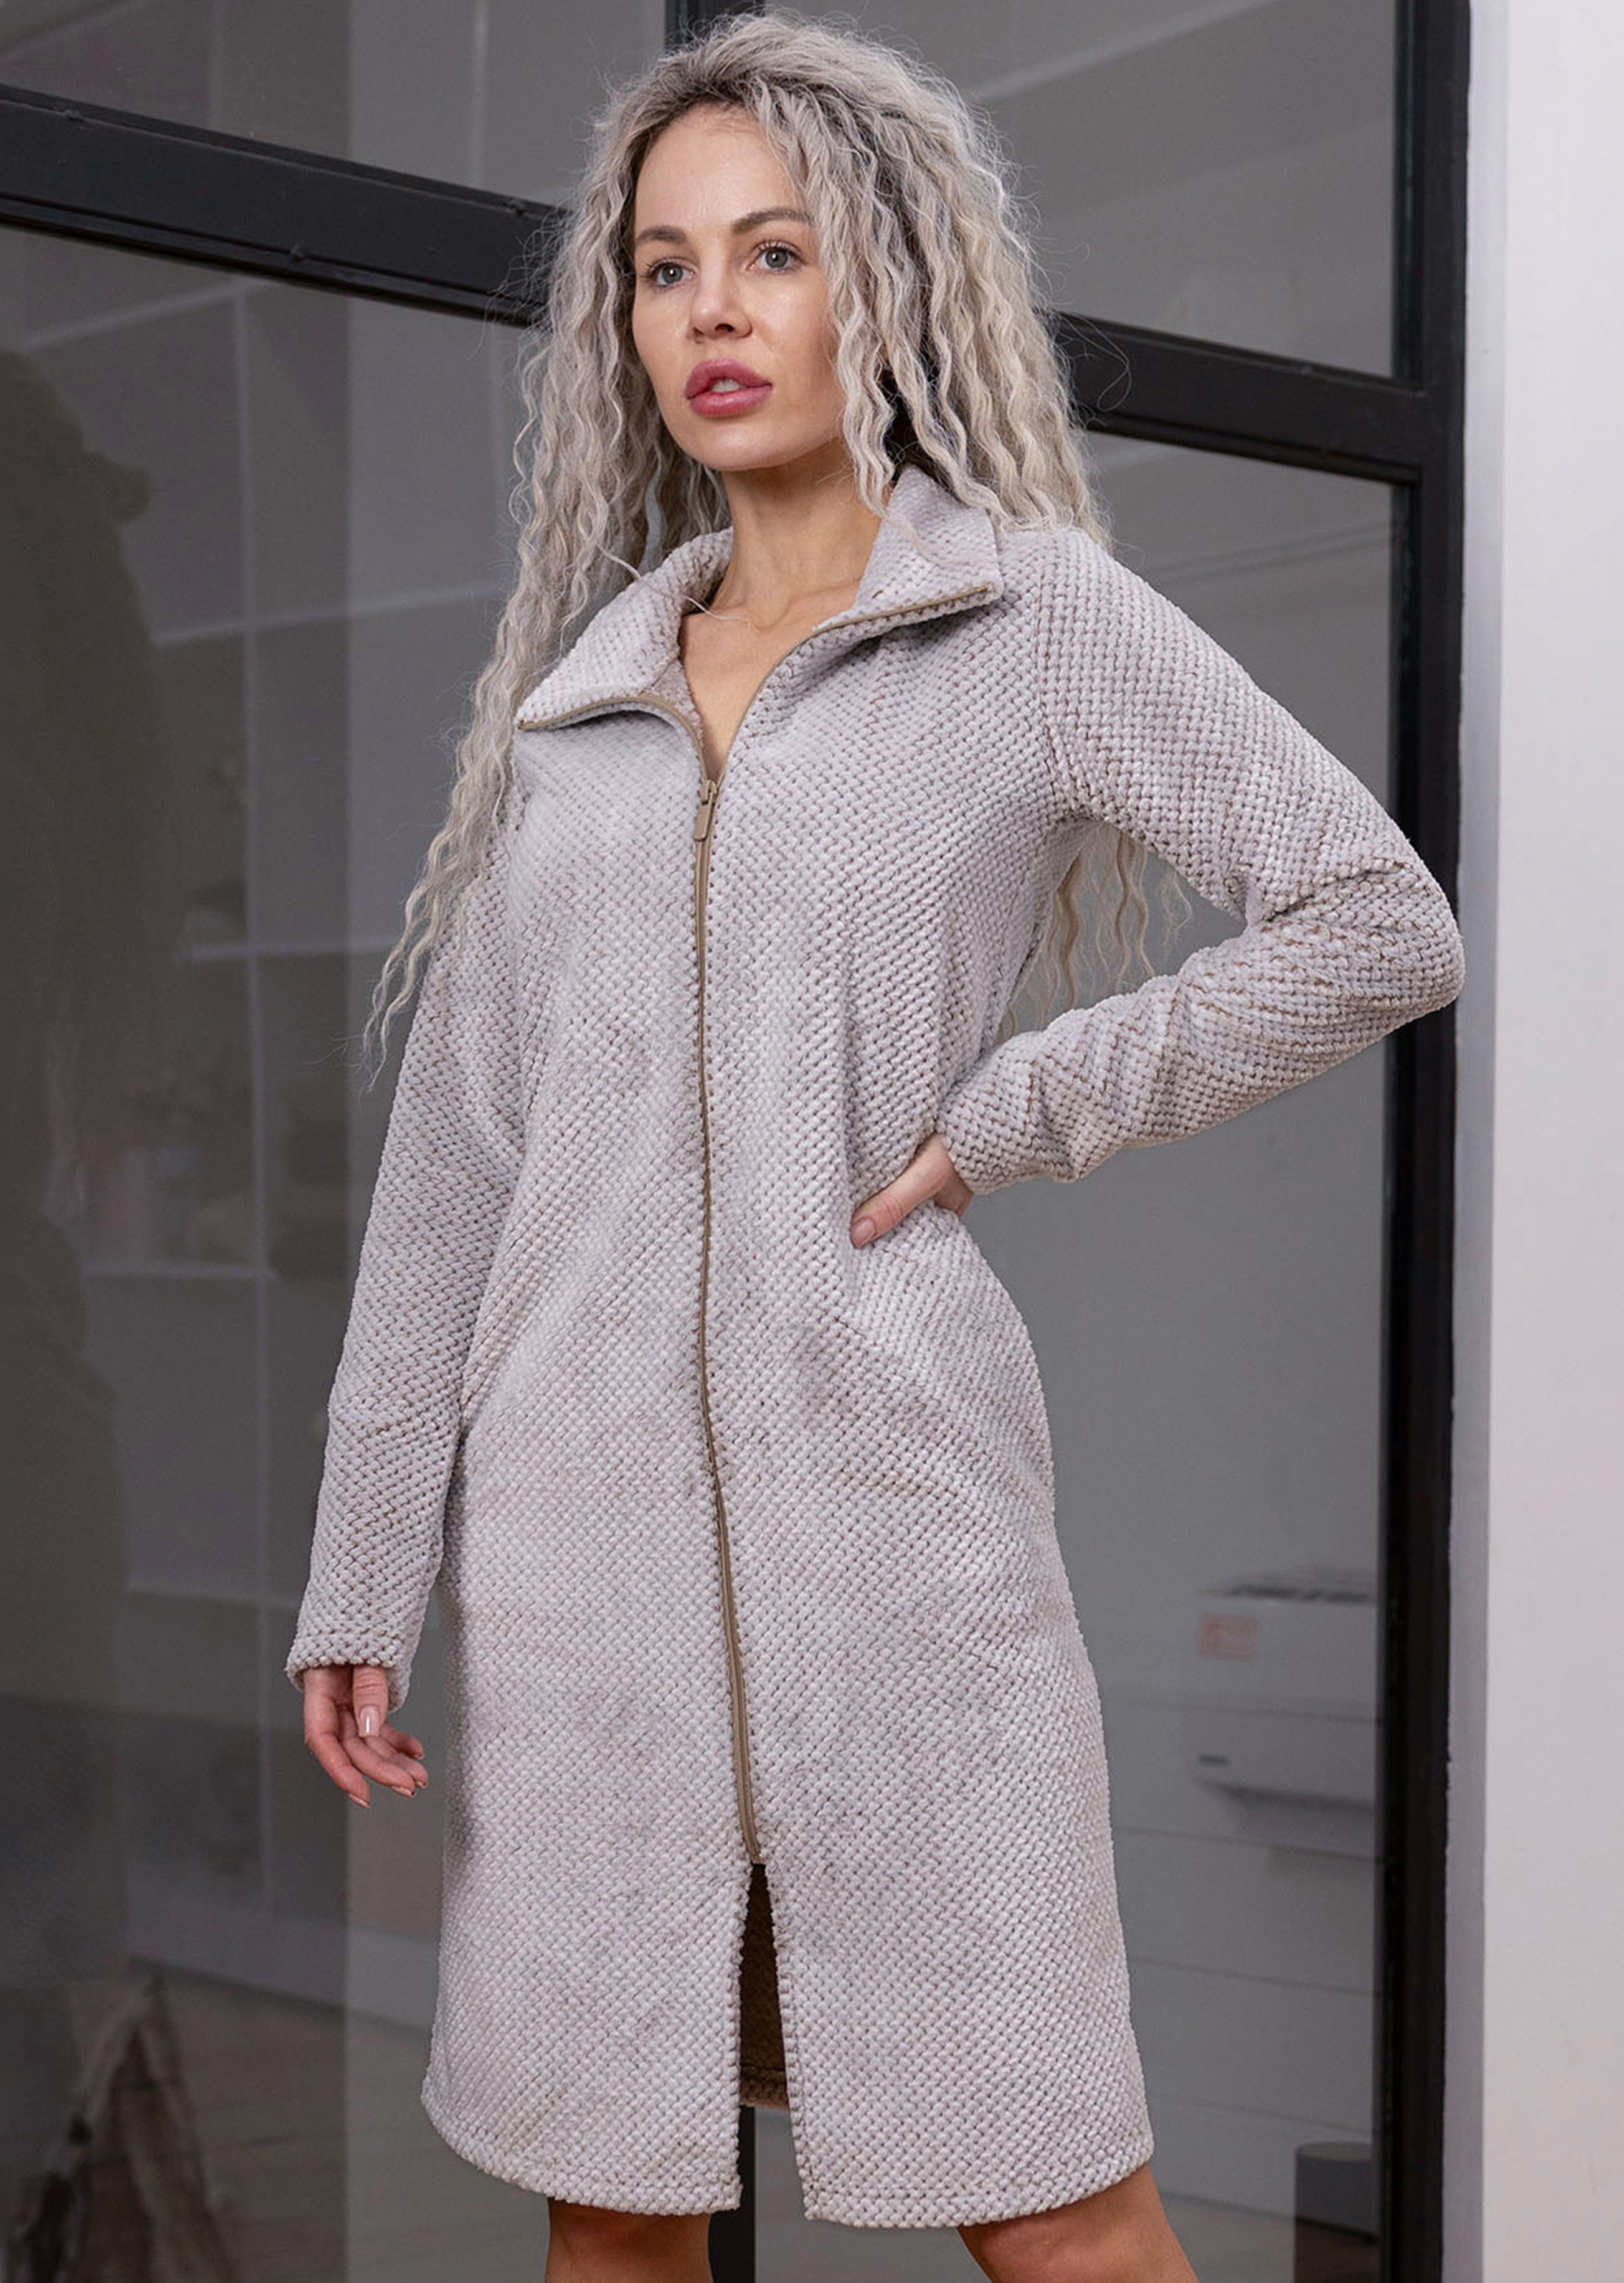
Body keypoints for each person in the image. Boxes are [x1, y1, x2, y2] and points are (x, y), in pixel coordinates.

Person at [285, 14, 1465, 2281]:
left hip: (897, 1564)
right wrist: (362, 1569)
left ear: (886, 281)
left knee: (1064, 2211)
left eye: (775, 252)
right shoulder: (580, 712)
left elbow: (1373, 917)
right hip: (585, 1588)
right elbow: (450, 1174)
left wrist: (1015, 1111)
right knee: (616, 2218)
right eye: (663, 268)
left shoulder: (1023, 619)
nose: (711, 312)